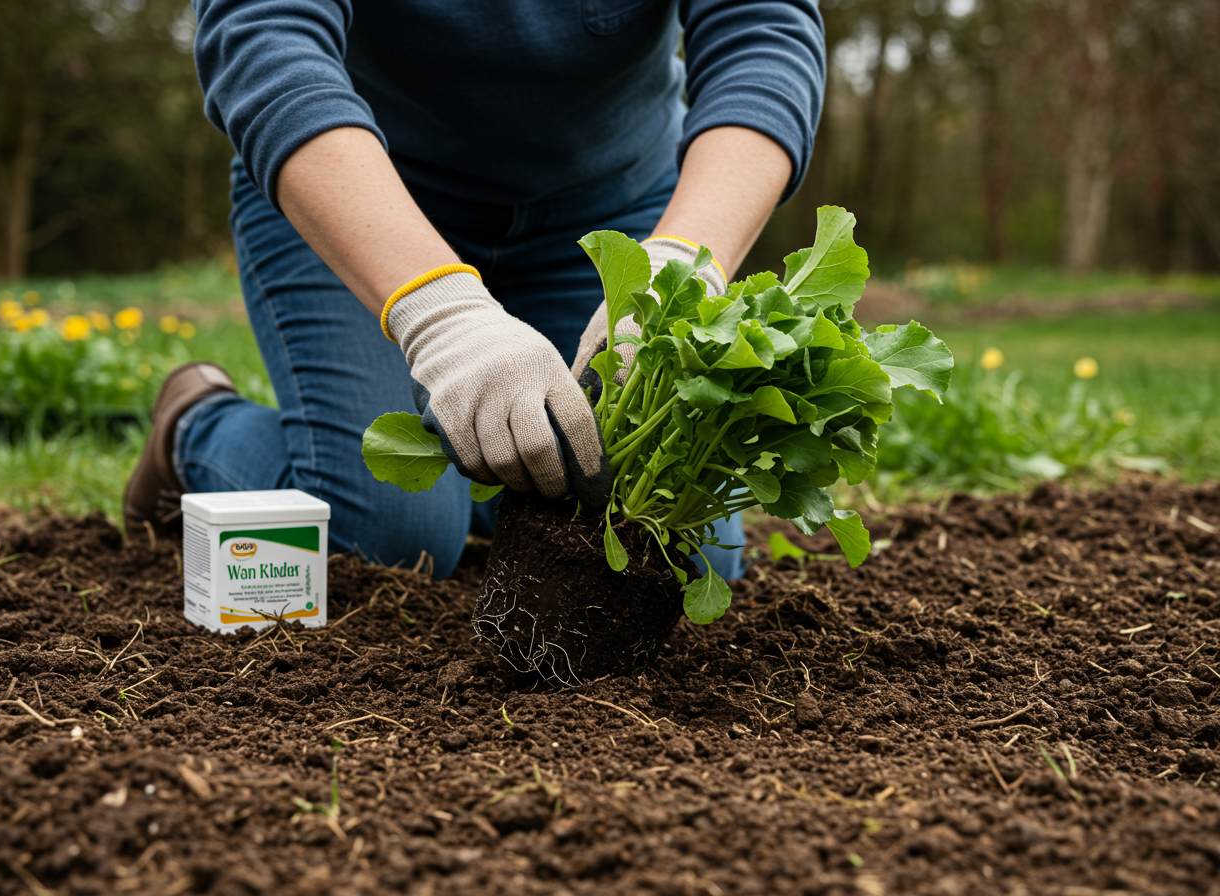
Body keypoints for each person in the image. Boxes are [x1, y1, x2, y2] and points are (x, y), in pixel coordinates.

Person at [123, 0, 826, 582]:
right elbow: (262, 35)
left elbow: (762, 34)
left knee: (683, 553)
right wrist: (441, 315)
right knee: (387, 538)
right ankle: (197, 426)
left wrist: (679, 264)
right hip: (362, 194)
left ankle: (479, 476)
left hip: (610, 212)